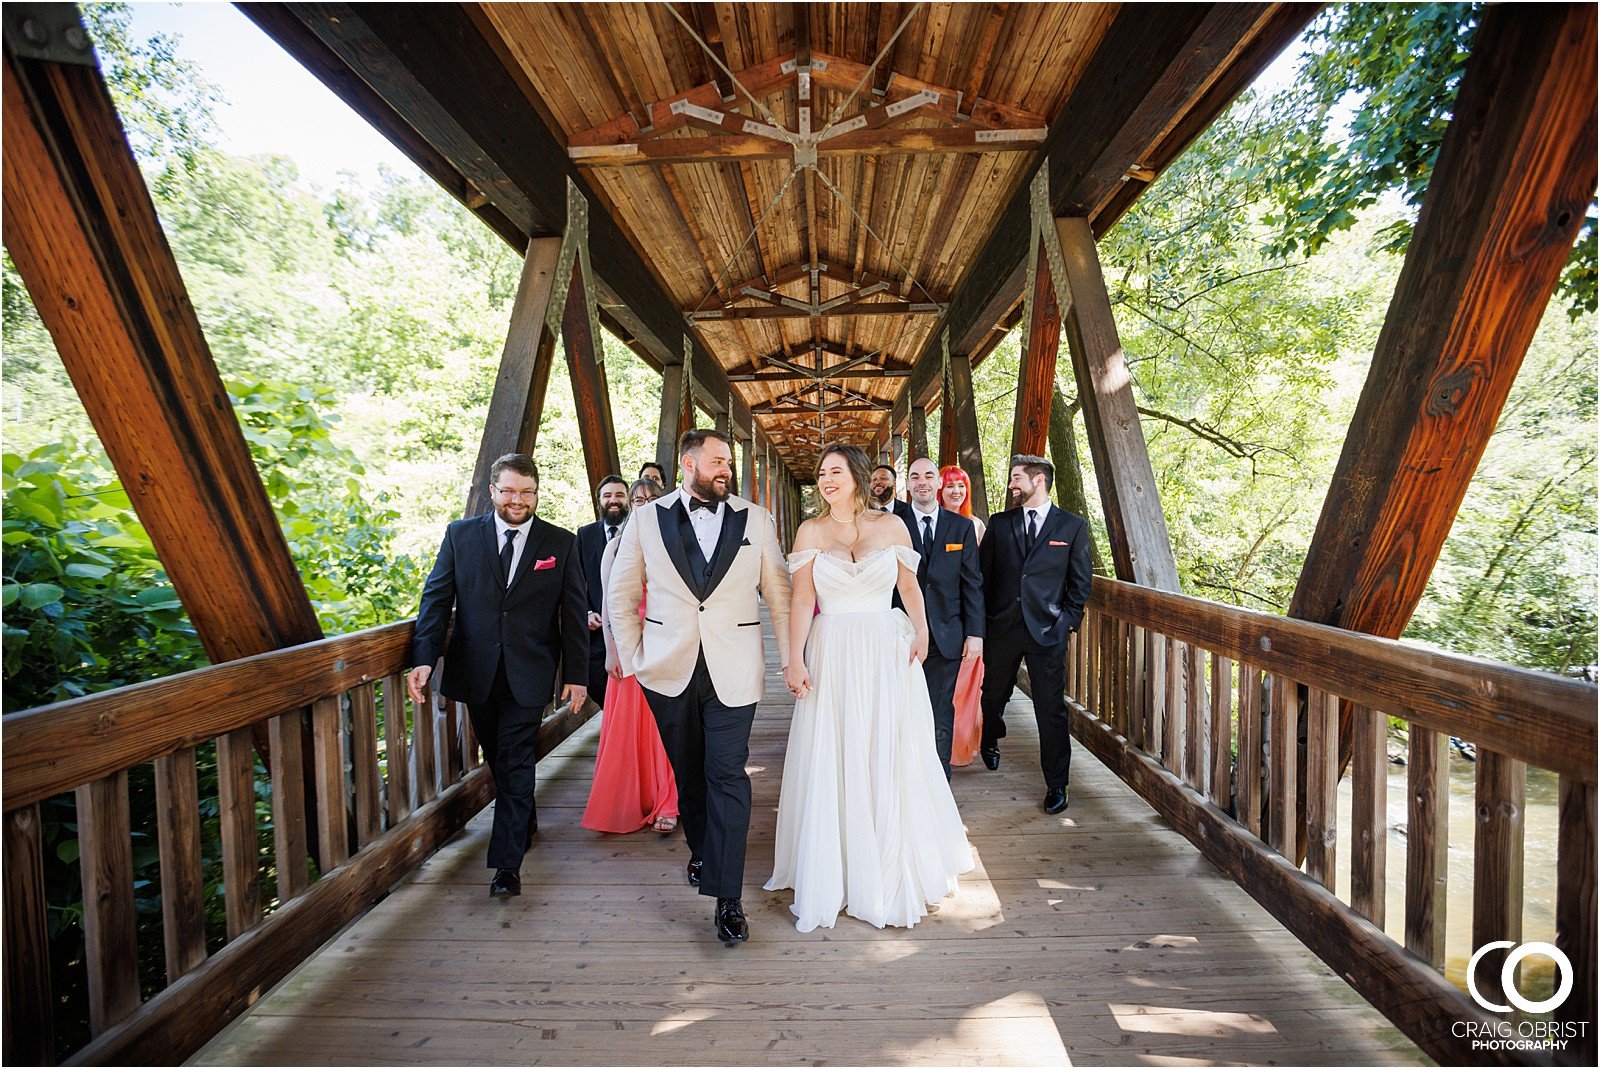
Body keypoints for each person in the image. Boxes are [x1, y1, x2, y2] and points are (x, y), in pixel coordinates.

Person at [765, 443, 973, 932]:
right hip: (832, 649)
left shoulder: (893, 526)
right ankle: (836, 864)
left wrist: (920, 631)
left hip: (885, 649)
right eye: (820, 473)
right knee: (836, 748)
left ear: (857, 476)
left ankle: (891, 856)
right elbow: (801, 602)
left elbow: (908, 587)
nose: (826, 480)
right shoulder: (810, 531)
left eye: (835, 471)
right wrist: (793, 659)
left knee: (889, 746)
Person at [607, 429, 792, 944]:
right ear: (687, 463)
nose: (725, 469)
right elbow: (620, 595)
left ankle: (727, 898)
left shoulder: (755, 518)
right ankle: (702, 850)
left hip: (735, 668)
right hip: (668, 669)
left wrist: (793, 659)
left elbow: (778, 593)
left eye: (728, 461)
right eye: (716, 461)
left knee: (727, 774)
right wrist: (636, 657)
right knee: (689, 774)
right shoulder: (644, 519)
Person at [407, 454, 588, 897]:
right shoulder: (460, 536)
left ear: (537, 493)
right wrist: (424, 658)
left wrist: (578, 675)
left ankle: (506, 866)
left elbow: (573, 613)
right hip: (476, 672)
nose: (517, 500)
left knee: (517, 757)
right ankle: (523, 820)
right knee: (500, 759)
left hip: (530, 672)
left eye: (526, 492)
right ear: (492, 492)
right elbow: (435, 601)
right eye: (508, 491)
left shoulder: (560, 543)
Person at [978, 455, 1093, 813]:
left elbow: (1080, 582)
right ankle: (990, 737)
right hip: (1003, 628)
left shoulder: (1072, 526)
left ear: (1038, 480)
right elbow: (983, 577)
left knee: (1050, 709)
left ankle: (1058, 783)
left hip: (1048, 631)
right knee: (993, 694)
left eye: (1016, 478)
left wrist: (1067, 622)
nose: (1011, 485)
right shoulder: (999, 524)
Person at [583, 478, 679, 834]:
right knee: (631, 731)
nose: (645, 503)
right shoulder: (616, 548)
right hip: (628, 648)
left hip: (665, 647)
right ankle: (632, 800)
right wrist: (612, 652)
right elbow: (610, 605)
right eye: (638, 499)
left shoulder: (673, 542)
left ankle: (667, 801)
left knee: (662, 727)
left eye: (652, 498)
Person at [899, 458, 984, 778]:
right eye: (914, 476)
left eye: (929, 476)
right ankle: (905, 774)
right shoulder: (894, 523)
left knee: (941, 708)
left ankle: (938, 776)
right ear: (907, 485)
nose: (922, 481)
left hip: (947, 633)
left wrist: (975, 633)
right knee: (901, 706)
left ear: (939, 483)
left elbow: (972, 582)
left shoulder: (960, 527)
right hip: (901, 633)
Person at [939, 465, 988, 768]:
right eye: (950, 486)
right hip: (938, 616)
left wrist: (978, 628)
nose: (956, 491)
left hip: (966, 617)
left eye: (961, 486)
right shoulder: (927, 522)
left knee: (968, 688)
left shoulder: (976, 526)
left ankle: (961, 747)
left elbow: (978, 579)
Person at [576, 476, 629, 709]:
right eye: (607, 496)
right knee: (598, 684)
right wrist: (586, 611)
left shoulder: (640, 531)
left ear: (627, 500)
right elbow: (576, 581)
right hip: (598, 631)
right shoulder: (585, 535)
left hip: (634, 628)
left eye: (619, 495)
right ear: (599, 501)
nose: (613, 500)